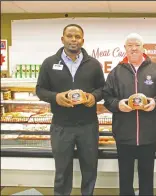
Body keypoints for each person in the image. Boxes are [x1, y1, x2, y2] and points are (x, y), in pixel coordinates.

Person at [36, 24, 105, 195]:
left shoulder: (94, 64)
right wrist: (56, 97)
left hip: (88, 125)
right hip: (61, 126)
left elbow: (103, 89)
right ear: (62, 39)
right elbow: (40, 90)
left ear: (82, 40)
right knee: (62, 170)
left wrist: (93, 97)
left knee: (89, 168)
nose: (73, 40)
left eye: (77, 37)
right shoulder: (49, 63)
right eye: (69, 36)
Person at [102, 33, 156, 196]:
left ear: (143, 47)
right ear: (125, 48)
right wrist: (118, 105)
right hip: (124, 134)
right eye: (129, 45)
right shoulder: (116, 72)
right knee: (125, 177)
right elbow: (107, 97)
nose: (133, 48)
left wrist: (155, 103)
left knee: (147, 176)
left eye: (137, 45)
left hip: (149, 134)